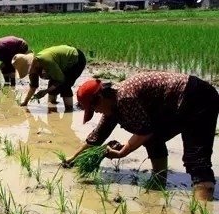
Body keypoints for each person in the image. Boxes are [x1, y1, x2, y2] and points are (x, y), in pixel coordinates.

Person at [65, 72, 218, 201]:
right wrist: (72, 159)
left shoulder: (124, 98)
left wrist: (123, 152)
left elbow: (144, 131)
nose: (96, 113)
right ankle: (159, 180)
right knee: (153, 139)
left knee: (196, 159)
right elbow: (96, 137)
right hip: (182, 101)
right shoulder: (111, 106)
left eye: (94, 109)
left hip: (197, 97)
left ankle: (202, 209)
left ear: (100, 98)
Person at [13, 44, 86, 110]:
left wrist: (45, 91)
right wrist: (25, 102)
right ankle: (52, 107)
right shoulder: (33, 68)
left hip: (76, 58)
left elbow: (60, 80)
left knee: (65, 85)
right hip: (61, 63)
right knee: (52, 84)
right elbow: (33, 86)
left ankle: (69, 109)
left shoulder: (46, 61)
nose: (29, 73)